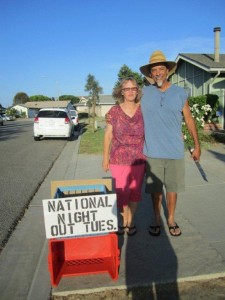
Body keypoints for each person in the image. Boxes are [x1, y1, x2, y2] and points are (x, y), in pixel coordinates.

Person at [139, 50, 201, 237]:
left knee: (172, 189)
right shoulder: (143, 93)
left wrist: (196, 145)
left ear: (168, 72)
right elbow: (127, 107)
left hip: (174, 151)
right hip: (152, 152)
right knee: (155, 191)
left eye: (161, 69)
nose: (157, 73)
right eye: (154, 70)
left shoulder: (180, 93)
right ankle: (157, 219)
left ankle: (171, 219)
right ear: (150, 74)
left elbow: (189, 119)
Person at [102, 78, 146, 236]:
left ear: (137, 90)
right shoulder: (113, 111)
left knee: (135, 192)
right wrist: (105, 158)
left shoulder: (144, 109)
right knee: (122, 193)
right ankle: (123, 220)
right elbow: (108, 135)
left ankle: (130, 221)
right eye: (126, 89)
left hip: (139, 159)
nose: (130, 91)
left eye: (133, 88)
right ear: (121, 92)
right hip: (118, 159)